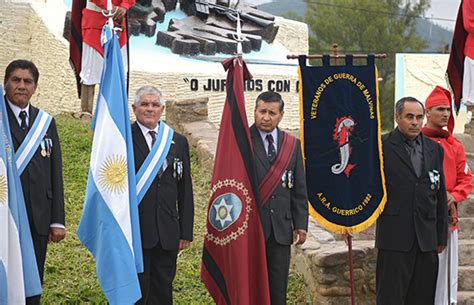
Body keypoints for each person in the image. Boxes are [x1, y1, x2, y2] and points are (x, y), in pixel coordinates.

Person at [3, 59, 65, 304]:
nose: (21, 85)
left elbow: (55, 173)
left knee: (32, 281)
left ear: (35, 87)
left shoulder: (46, 123)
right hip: (4, 216)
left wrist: (57, 220)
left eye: (27, 81)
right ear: (6, 84)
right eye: (16, 80)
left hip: (37, 218)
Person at [375, 97, 448, 305]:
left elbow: (440, 194)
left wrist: (440, 236)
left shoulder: (434, 149)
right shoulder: (382, 147)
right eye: (409, 117)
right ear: (397, 118)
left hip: (426, 240)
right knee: (391, 297)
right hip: (395, 238)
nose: (415, 122)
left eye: (419, 117)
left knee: (423, 297)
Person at [131, 85, 194, 305]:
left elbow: (185, 189)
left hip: (167, 231)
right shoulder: (123, 139)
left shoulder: (178, 141)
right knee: (138, 293)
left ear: (163, 109)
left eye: (155, 105)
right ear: (134, 108)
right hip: (135, 231)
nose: (150, 109)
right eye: (144, 104)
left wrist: (185, 231)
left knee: (162, 291)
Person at [249, 91, 308, 305]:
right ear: (254, 112)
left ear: (281, 115)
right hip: (251, 228)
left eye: (272, 113)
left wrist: (300, 224)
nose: (266, 117)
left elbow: (299, 189)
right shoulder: (242, 141)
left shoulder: (292, 145)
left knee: (278, 287)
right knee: (252, 286)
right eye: (262, 111)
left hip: (281, 230)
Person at [421, 86, 473, 305]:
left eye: (448, 110)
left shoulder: (455, 145)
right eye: (440, 109)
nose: (445, 114)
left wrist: (454, 195)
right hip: (422, 216)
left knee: (447, 272)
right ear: (428, 112)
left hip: (447, 218)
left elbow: (466, 178)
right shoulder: (417, 142)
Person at [80, 0, 135, 113]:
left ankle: (113, 115)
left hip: (118, 23)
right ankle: (86, 112)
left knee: (117, 73)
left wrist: (124, 6)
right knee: (90, 72)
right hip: (95, 22)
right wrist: (109, 7)